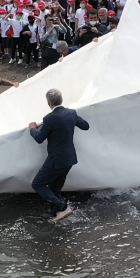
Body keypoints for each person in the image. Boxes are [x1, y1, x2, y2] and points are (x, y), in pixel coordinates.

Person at [28, 88, 89, 223]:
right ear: (61, 100)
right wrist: (72, 118)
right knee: (55, 187)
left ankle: (62, 206)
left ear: (49, 103)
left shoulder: (49, 118)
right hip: (70, 158)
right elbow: (86, 126)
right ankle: (57, 211)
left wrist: (32, 128)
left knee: (38, 184)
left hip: (57, 159)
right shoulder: (71, 113)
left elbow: (39, 138)